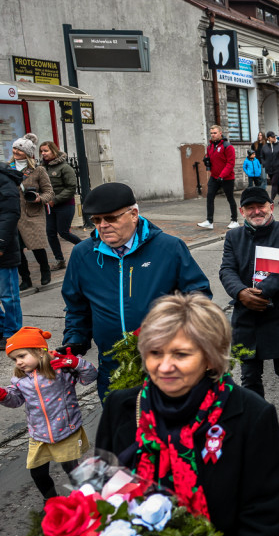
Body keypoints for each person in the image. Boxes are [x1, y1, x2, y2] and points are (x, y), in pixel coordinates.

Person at [96, 293, 279, 536]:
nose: (164, 366)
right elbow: (102, 491)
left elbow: (265, 510)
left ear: (210, 358)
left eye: (181, 354)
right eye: (155, 353)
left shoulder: (251, 415)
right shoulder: (122, 408)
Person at [62, 182, 211, 400]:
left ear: (133, 214)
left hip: (164, 363)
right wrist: (74, 340)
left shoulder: (169, 248)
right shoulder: (82, 255)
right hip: (113, 366)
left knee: (166, 428)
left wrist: (184, 338)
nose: (103, 225)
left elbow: (198, 297)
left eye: (111, 218)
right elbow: (77, 306)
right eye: (96, 220)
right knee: (121, 428)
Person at [219, 187, 279, 412]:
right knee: (249, 378)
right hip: (245, 317)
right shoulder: (233, 236)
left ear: (271, 207)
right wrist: (241, 293)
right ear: (242, 211)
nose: (256, 211)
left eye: (261, 206)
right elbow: (226, 270)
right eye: (250, 208)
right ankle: (258, 420)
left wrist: (260, 292)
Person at [1, 326, 96, 499]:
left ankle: (84, 499)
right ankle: (51, 500)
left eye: (22, 356)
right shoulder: (20, 378)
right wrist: (4, 396)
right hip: (38, 434)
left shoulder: (61, 370)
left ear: (40, 352)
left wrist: (75, 363)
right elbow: (16, 400)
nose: (19, 362)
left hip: (66, 429)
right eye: (14, 359)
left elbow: (89, 377)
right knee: (37, 472)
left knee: (72, 468)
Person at [10, 137, 53, 289]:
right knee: (17, 249)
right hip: (13, 215)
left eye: (20, 150)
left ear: (27, 153)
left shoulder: (38, 170)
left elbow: (49, 192)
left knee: (37, 246)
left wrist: (39, 198)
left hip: (33, 214)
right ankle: (26, 279)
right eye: (15, 148)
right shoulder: (8, 168)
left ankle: (45, 270)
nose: (16, 151)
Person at [38, 141, 81, 271]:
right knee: (50, 233)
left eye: (46, 151)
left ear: (54, 151)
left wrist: (55, 200)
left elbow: (71, 187)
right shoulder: (42, 168)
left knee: (63, 232)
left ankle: (87, 247)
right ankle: (60, 260)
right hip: (49, 206)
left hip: (65, 205)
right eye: (41, 151)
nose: (43, 154)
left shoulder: (65, 167)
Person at [198, 125, 239, 230]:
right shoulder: (210, 146)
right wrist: (206, 159)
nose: (213, 135)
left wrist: (222, 175)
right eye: (211, 133)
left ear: (220, 133)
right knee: (210, 197)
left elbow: (230, 163)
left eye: (215, 133)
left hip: (227, 177)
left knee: (230, 198)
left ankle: (235, 220)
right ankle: (209, 221)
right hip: (214, 177)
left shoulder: (227, 146)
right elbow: (210, 157)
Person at [0, 163, 22, 340]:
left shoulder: (4, 181)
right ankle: (2, 327)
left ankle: (13, 333)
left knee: (9, 296)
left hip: (4, 250)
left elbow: (10, 215)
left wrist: (0, 244)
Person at [260, 132, 279, 205]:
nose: (274, 138)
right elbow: (261, 156)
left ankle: (271, 200)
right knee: (276, 183)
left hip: (278, 168)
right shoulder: (265, 147)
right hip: (269, 168)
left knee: (274, 182)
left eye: (274, 136)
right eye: (272, 137)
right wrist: (264, 163)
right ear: (268, 138)